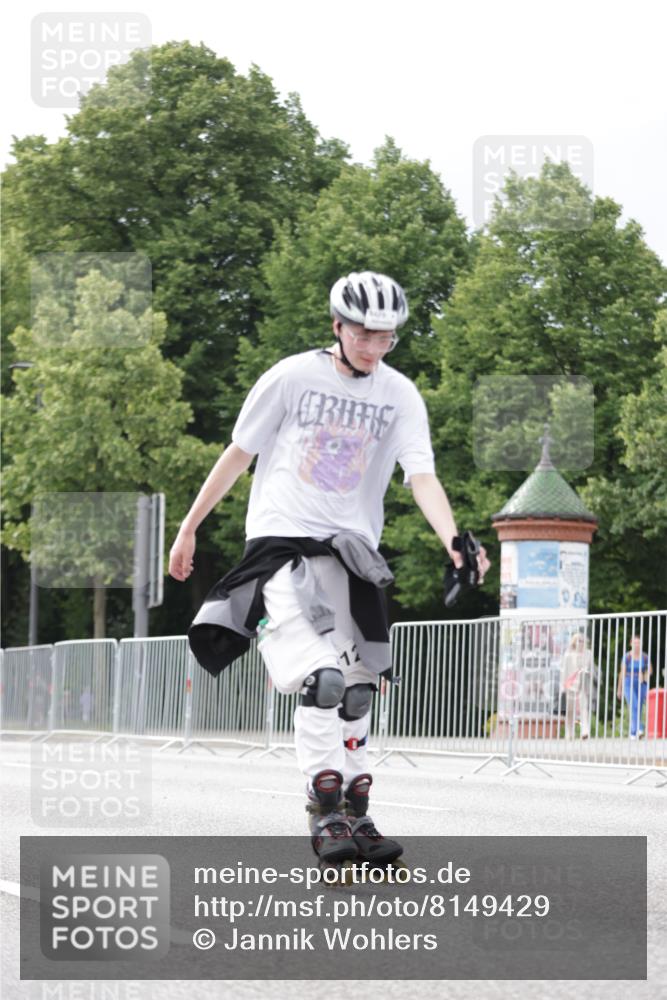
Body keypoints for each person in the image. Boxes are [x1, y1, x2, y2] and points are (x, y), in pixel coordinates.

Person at [169, 271, 490, 870]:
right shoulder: (292, 377)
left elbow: (421, 474)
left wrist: (454, 538)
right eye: (365, 335)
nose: (374, 348)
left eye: (387, 338)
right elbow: (240, 453)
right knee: (325, 681)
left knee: (361, 687)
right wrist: (189, 527)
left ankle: (357, 810)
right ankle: (324, 810)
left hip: (352, 555)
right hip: (284, 550)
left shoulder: (400, 395)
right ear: (337, 327)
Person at [559, 633, 597, 739]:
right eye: (578, 640)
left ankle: (585, 731)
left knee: (584, 709)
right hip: (570, 685)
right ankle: (569, 733)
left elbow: (591, 668)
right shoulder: (568, 655)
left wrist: (589, 674)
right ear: (574, 642)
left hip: (583, 685)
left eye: (582, 640)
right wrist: (563, 686)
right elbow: (564, 671)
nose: (581, 643)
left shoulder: (588, 654)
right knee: (570, 711)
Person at [617, 634, 652, 739]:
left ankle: (633, 732)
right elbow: (621, 673)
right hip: (628, 682)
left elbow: (650, 670)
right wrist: (619, 689)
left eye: (639, 643)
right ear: (631, 644)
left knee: (639, 707)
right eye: (635, 643)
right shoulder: (627, 657)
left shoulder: (645, 656)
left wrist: (644, 675)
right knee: (634, 704)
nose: (637, 645)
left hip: (641, 683)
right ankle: (640, 729)